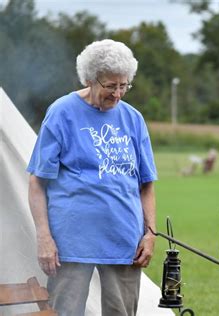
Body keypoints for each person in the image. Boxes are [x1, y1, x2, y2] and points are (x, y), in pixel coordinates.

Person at [27, 39, 158, 316]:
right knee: (64, 312)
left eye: (124, 85)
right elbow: (38, 181)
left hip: (123, 240)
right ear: (89, 79)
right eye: (110, 86)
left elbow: (146, 183)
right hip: (72, 243)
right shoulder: (62, 113)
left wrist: (150, 233)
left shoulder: (133, 119)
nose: (118, 94)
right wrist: (44, 237)